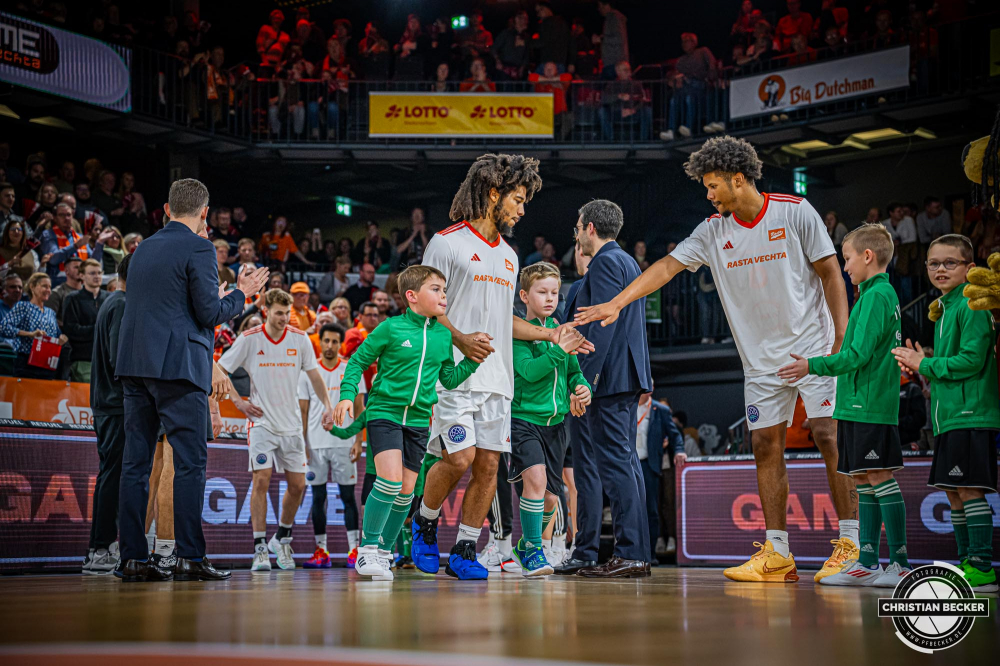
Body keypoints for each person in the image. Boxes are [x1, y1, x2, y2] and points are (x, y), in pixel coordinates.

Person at [575, 136, 857, 584]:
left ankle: (851, 546)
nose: (708, 195)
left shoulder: (794, 210)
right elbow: (665, 268)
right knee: (765, 445)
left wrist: (842, 339)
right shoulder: (712, 231)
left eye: (712, 186)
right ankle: (778, 552)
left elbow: (830, 273)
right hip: (759, 360)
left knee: (827, 433)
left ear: (738, 179)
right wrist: (617, 303)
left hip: (814, 347)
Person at [411, 154, 585, 580]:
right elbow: (426, 311)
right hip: (453, 373)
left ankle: (466, 549)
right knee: (459, 458)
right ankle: (425, 522)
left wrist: (550, 335)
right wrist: (461, 338)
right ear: (493, 193)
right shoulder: (446, 243)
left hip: (498, 379)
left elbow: (502, 321)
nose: (523, 210)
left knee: (489, 465)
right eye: (518, 200)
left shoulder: (509, 256)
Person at [115, 179, 268, 583]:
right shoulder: (199, 247)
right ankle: (189, 557)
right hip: (178, 368)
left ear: (166, 209)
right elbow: (208, 314)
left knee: (135, 464)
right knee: (190, 464)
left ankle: (131, 557)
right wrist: (241, 293)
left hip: (133, 365)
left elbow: (165, 305)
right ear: (204, 213)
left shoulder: (143, 246)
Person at [778, 224, 910, 588]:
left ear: (868, 257)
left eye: (847, 258)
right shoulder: (872, 294)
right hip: (856, 404)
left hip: (869, 404)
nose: (844, 266)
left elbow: (855, 356)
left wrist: (812, 365)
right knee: (864, 481)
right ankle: (867, 561)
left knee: (879, 477)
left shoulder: (876, 296)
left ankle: (899, 563)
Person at [334, 265, 485, 580]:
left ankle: (385, 553)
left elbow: (448, 377)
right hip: (384, 413)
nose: (443, 295)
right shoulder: (390, 328)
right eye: (436, 289)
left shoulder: (444, 336)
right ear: (412, 296)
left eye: (444, 290)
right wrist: (347, 395)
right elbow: (358, 360)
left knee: (405, 493)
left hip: (418, 420)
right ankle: (366, 552)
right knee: (388, 482)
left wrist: (472, 361)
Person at [893, 235, 999, 593]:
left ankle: (982, 568)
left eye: (949, 263)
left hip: (970, 415)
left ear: (970, 268)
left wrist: (927, 361)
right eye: (933, 263)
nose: (940, 269)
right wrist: (924, 363)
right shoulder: (945, 309)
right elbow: (949, 364)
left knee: (968, 491)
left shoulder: (972, 306)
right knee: (954, 493)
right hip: (949, 417)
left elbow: (971, 360)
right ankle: (968, 563)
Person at [557, 199, 653, 579]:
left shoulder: (607, 262)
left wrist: (585, 384)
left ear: (590, 228)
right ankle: (595, 551)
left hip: (608, 382)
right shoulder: (623, 262)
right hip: (614, 380)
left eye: (578, 227)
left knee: (616, 465)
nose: (576, 234)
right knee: (609, 467)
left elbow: (602, 328)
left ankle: (630, 552)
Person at [217, 288, 335, 572]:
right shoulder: (249, 339)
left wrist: (328, 405)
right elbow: (219, 369)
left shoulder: (300, 338)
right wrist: (239, 403)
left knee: (298, 486)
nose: (284, 318)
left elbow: (314, 376)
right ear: (266, 310)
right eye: (279, 313)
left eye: (287, 313)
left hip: (291, 425)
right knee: (262, 480)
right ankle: (259, 547)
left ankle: (281, 538)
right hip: (261, 424)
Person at [509, 262, 592, 576]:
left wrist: (583, 390)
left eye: (554, 292)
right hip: (524, 421)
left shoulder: (564, 331)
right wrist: (559, 347)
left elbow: (574, 374)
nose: (549, 298)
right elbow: (529, 373)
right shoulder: (518, 332)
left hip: (557, 426)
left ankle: (524, 546)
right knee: (536, 482)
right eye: (541, 292)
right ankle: (533, 549)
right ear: (524, 296)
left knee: (550, 500)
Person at [299, 323, 365, 569]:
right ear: (320, 341)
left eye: (334, 342)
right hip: (315, 445)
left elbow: (359, 408)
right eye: (326, 341)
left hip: (344, 443)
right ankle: (321, 550)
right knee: (318, 498)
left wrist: (359, 440)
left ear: (341, 344)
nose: (329, 346)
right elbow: (303, 411)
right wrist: (303, 443)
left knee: (348, 497)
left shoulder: (350, 369)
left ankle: (353, 550)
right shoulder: (309, 371)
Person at [84, 253, 132, 574]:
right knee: (112, 477)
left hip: (107, 403)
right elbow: (119, 359)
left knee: (110, 475)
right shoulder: (123, 305)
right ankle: (100, 548)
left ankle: (104, 545)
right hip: (115, 404)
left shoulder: (111, 302)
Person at [637, 384, 684, 564]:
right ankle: (628, 552)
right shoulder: (626, 406)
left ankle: (649, 554)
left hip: (650, 464)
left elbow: (675, 434)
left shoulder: (660, 409)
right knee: (628, 509)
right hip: (629, 463)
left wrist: (679, 450)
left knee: (651, 509)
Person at [0, 271, 68, 379]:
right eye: (44, 286)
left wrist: (62, 338)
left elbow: (57, 335)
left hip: (48, 363)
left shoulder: (50, 312)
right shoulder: (23, 306)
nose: (48, 290)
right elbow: (3, 328)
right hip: (26, 364)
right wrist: (29, 334)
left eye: (50, 287)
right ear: (32, 286)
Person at [61, 258, 108, 382]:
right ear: (82, 276)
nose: (97, 276)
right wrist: (99, 329)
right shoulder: (72, 299)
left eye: (99, 272)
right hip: (83, 360)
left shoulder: (110, 298)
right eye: (92, 273)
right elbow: (71, 329)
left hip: (108, 360)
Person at [39, 203, 110, 282]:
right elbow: (53, 259)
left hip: (81, 282)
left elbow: (92, 263)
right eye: (62, 215)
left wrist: (99, 243)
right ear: (55, 218)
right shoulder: (48, 234)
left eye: (68, 215)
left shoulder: (79, 237)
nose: (66, 218)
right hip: (58, 282)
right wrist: (76, 246)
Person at [597, 1, 629, 79]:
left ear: (607, 5)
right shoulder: (615, 17)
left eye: (600, 6)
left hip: (614, 64)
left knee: (603, 88)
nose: (599, 9)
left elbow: (618, 38)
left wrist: (602, 39)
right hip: (616, 63)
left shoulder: (613, 17)